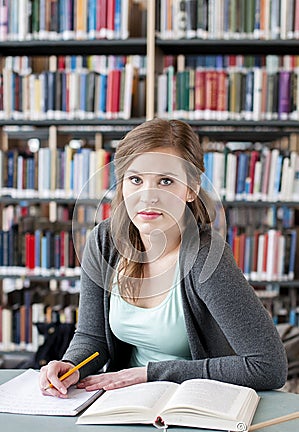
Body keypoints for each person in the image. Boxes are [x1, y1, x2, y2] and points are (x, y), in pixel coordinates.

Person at [40, 118, 287, 398]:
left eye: (166, 181)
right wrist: (72, 365)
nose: (148, 196)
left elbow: (268, 366)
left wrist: (150, 374)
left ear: (191, 188)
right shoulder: (104, 241)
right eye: (135, 180)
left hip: (191, 402)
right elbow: (92, 337)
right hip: (123, 400)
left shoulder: (206, 258)